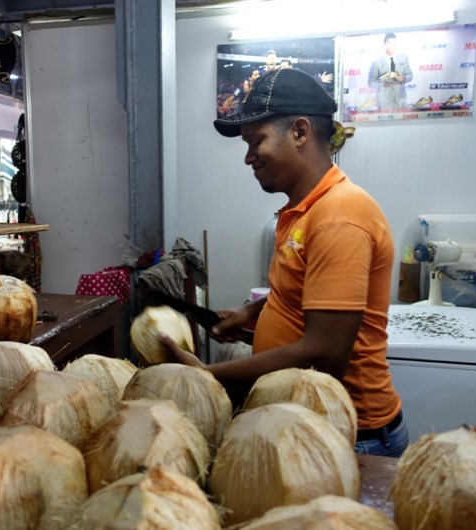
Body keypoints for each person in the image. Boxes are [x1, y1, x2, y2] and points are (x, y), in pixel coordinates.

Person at [159, 68, 408, 457]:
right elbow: (304, 293)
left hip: (350, 434)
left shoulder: (340, 214)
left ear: (300, 132)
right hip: (306, 420)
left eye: (256, 141)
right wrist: (253, 314)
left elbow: (325, 351)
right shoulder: (302, 210)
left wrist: (207, 376)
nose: (247, 157)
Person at [367, 32, 413, 111]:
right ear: (384, 44)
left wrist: (404, 78)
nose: (392, 45)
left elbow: (410, 75)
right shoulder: (376, 62)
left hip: (401, 100)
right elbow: (371, 82)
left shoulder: (403, 58)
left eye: (394, 43)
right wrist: (381, 85)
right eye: (389, 43)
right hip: (383, 102)